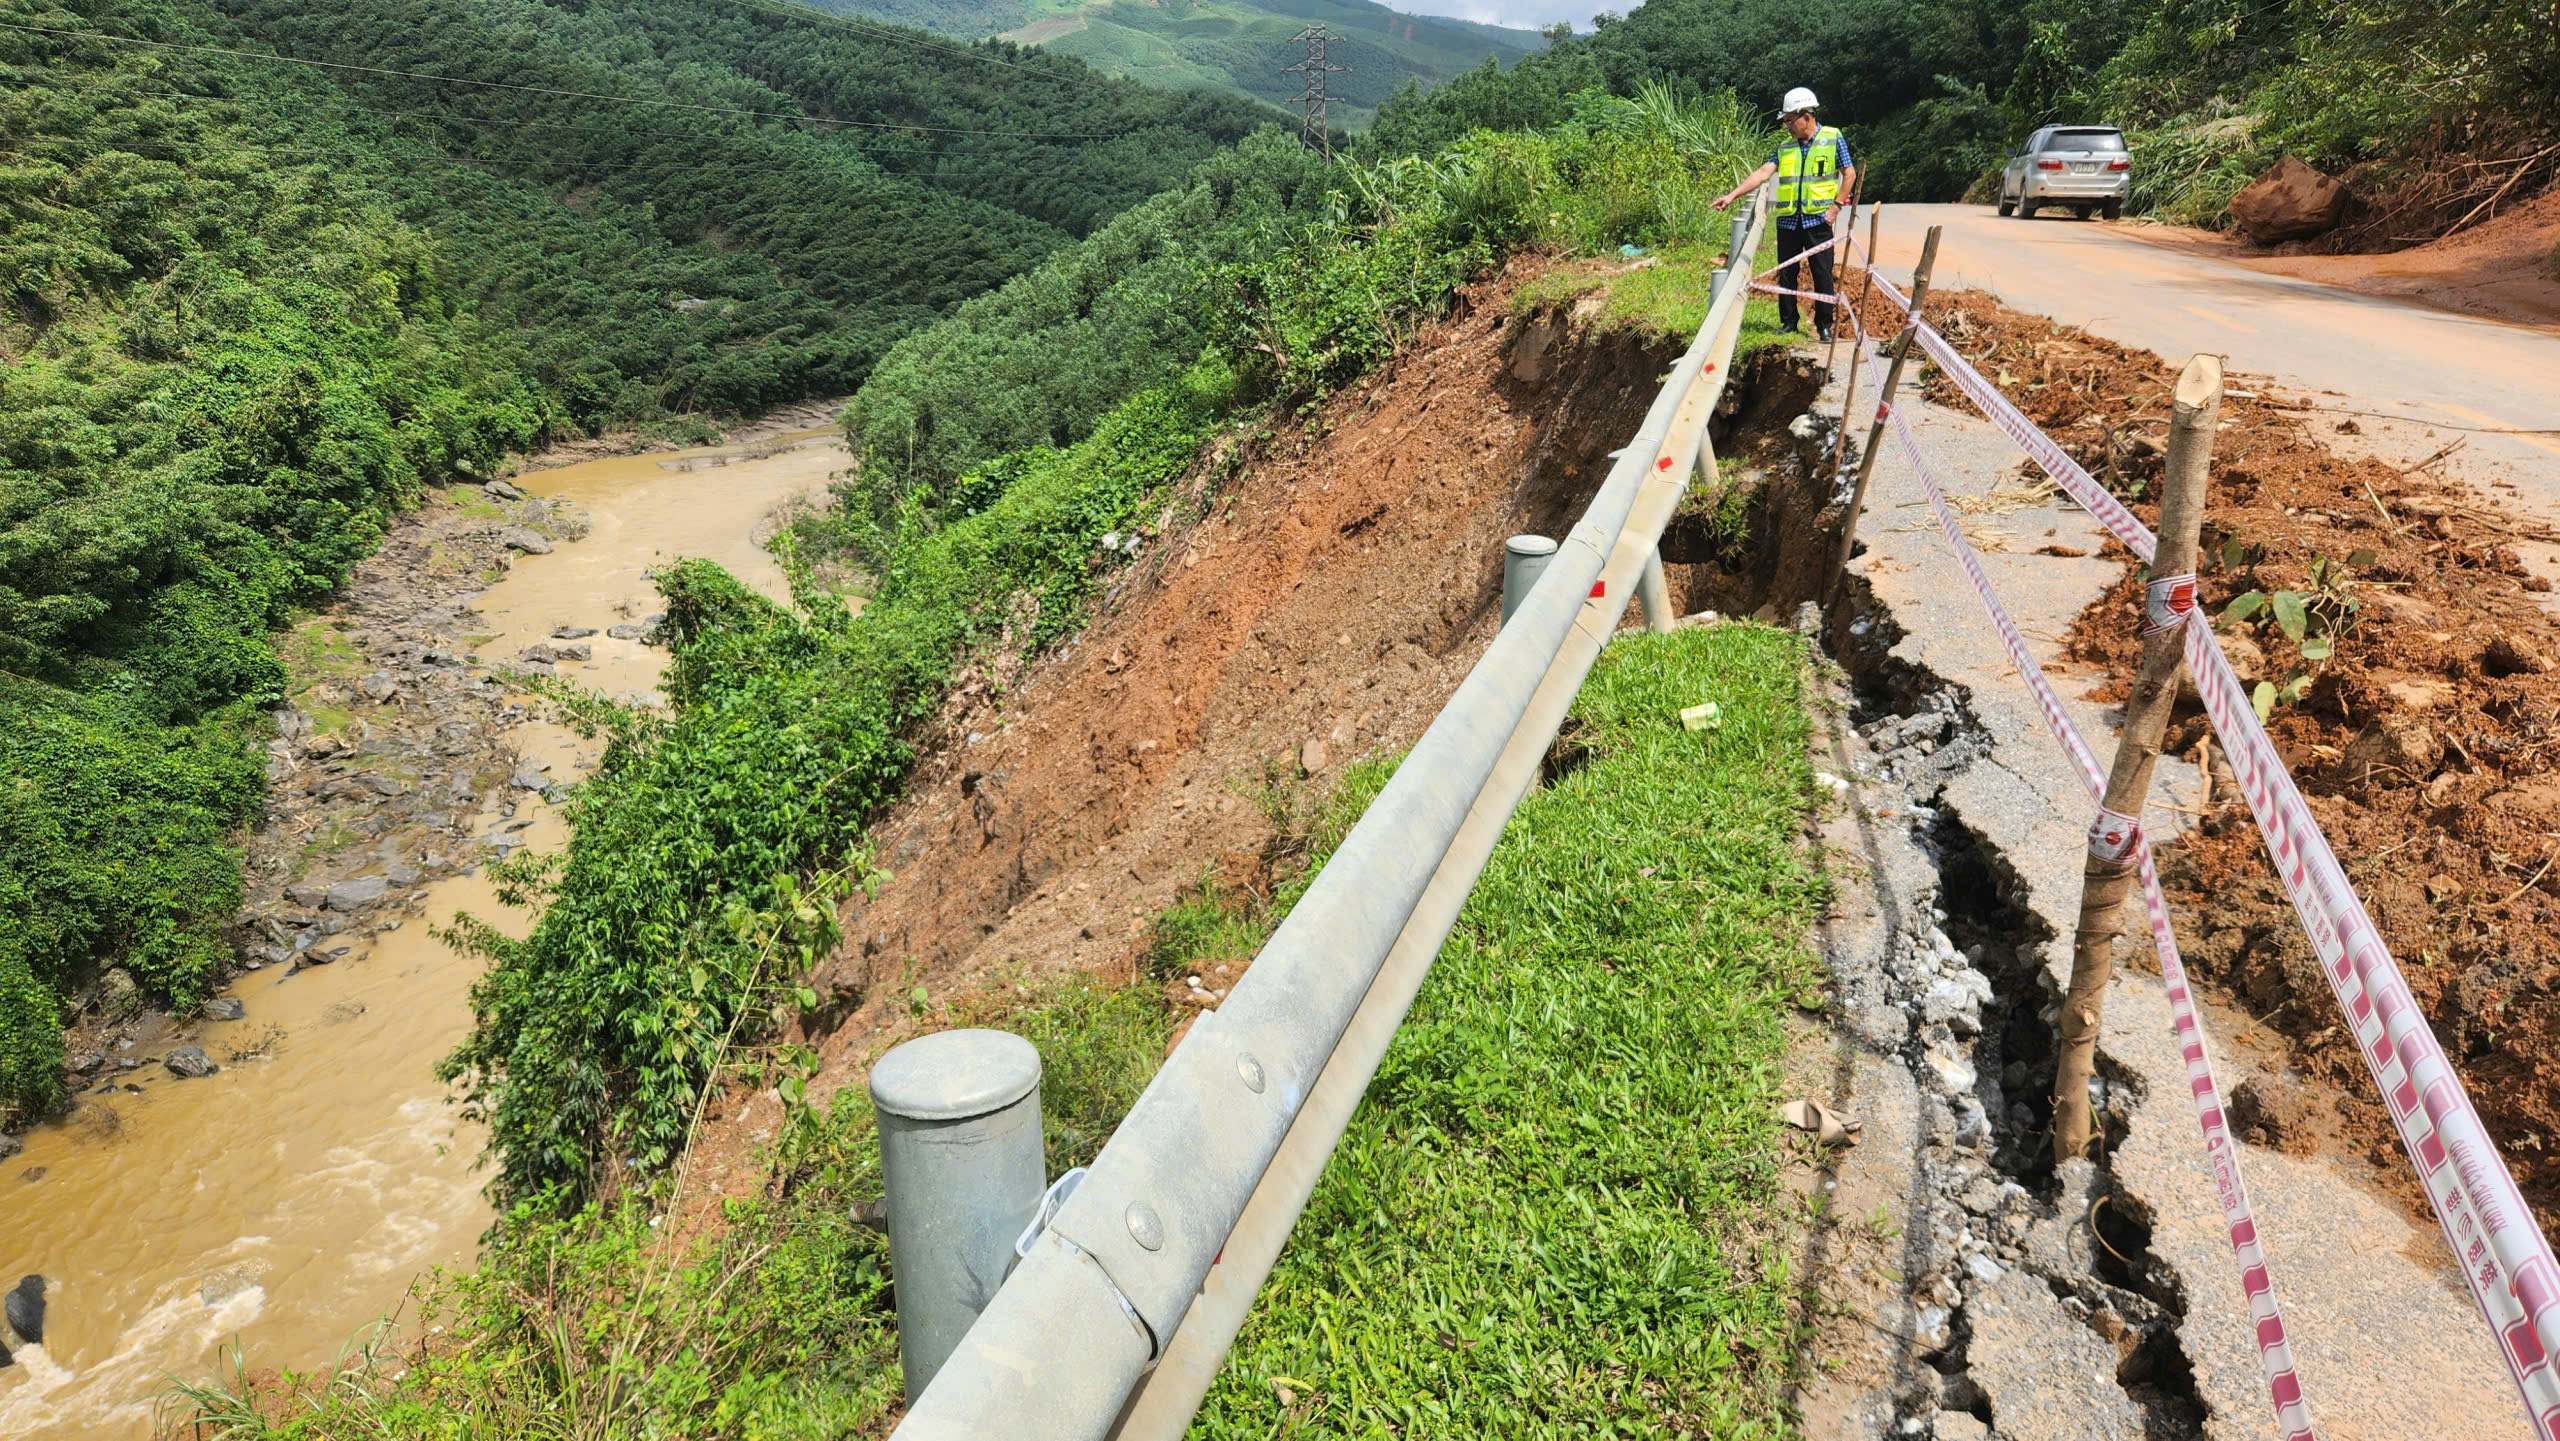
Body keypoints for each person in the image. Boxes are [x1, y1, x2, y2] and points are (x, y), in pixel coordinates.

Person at [1714, 87, 1856, 343]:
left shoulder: (1833, 138)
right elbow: (1761, 174)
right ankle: (1789, 322)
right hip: (1789, 221)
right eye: (1786, 121)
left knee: (1822, 274)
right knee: (1787, 273)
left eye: (1790, 120)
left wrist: (1835, 207)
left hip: (1818, 221)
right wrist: (1732, 195)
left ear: (1806, 116)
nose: (1788, 126)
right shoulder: (1784, 148)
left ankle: (1824, 326)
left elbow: (1850, 173)